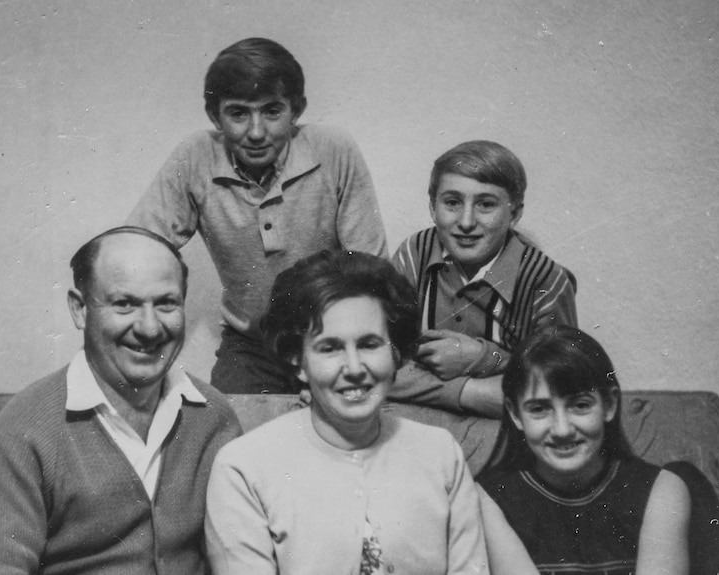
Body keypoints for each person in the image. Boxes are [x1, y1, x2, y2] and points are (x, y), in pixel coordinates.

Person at [0, 227, 242, 574]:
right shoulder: (21, 431)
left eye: (166, 303)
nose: (150, 328)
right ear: (80, 310)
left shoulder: (214, 416)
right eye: (125, 304)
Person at [126, 37, 388, 395]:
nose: (256, 132)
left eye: (272, 111)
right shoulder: (196, 157)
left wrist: (331, 351)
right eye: (238, 113)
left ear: (296, 111)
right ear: (214, 116)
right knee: (234, 428)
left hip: (333, 334)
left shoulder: (334, 150)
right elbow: (136, 249)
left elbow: (370, 269)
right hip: (251, 344)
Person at [205, 250, 490, 574]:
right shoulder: (244, 469)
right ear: (298, 360)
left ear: (395, 352)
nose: (354, 368)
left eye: (369, 344)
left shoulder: (441, 454)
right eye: (330, 348)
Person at [477, 325, 690, 575]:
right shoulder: (488, 499)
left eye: (580, 405)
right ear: (515, 414)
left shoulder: (661, 489)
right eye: (539, 409)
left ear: (609, 405)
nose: (562, 429)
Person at [390, 140, 577, 417]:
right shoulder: (414, 253)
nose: (466, 222)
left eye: (486, 205)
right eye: (452, 202)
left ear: (514, 213)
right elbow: (377, 359)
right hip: (422, 418)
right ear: (432, 207)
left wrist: (484, 358)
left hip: (505, 434)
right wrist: (470, 392)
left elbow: (560, 384)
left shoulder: (545, 280)